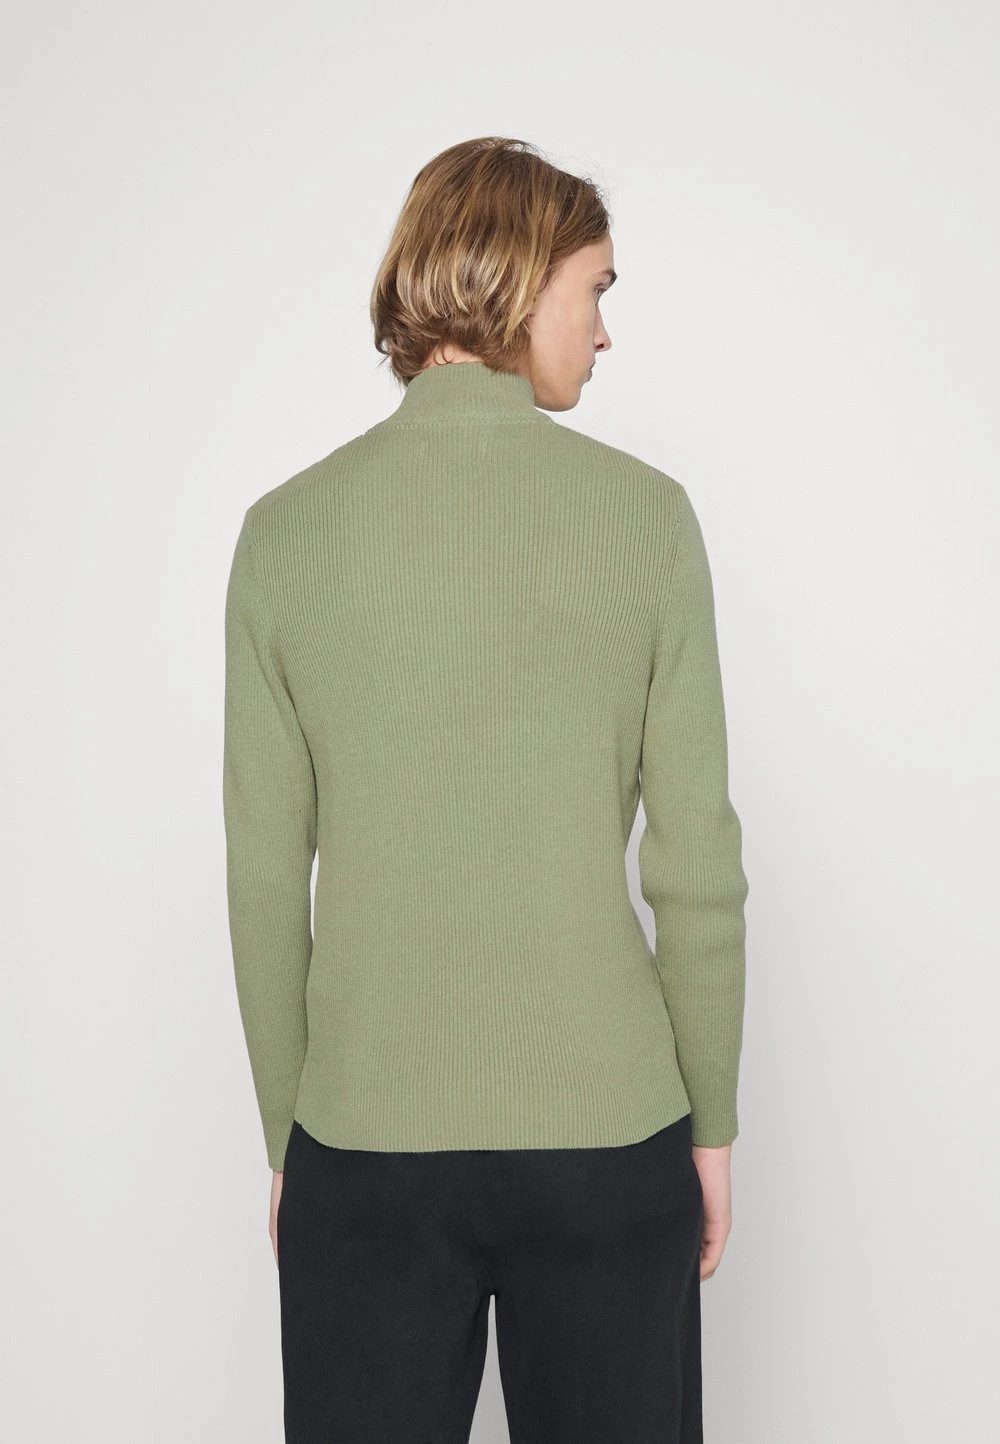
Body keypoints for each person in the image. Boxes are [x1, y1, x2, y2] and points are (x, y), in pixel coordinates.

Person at [223, 135, 749, 1443]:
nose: (606, 332)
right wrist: (714, 1129)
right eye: (596, 289)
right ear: (517, 282)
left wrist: (291, 1140)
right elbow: (695, 868)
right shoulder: (648, 520)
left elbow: (262, 872)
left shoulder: (286, 535)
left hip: (363, 1145)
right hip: (609, 1139)